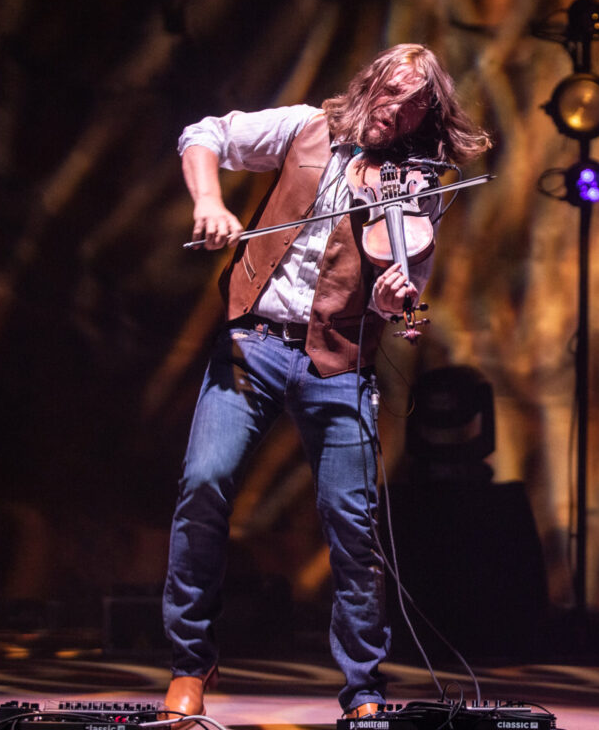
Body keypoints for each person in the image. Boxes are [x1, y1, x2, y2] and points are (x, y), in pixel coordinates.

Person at [162, 43, 491, 721]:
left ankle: (364, 689)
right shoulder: (306, 127)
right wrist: (211, 203)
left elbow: (398, 299)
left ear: (425, 118)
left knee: (353, 522)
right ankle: (189, 666)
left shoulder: (418, 186)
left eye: (412, 107)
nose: (393, 113)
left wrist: (395, 299)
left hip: (340, 363)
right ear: (369, 84)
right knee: (203, 483)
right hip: (253, 343)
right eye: (389, 94)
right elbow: (205, 134)